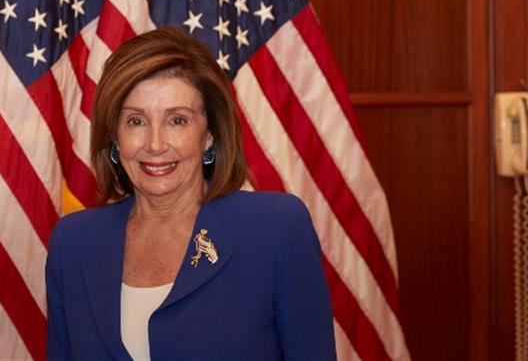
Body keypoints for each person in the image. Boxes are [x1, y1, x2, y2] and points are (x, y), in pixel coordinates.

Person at [46, 27, 336, 360]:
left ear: (209, 134)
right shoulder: (73, 243)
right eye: (136, 121)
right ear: (114, 136)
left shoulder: (275, 229)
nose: (155, 144)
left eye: (177, 120)